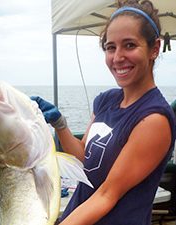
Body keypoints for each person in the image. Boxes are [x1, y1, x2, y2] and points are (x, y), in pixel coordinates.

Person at [32, 0, 176, 224]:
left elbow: (107, 194)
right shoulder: (106, 100)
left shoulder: (153, 119)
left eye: (129, 45)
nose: (117, 57)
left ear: (154, 49)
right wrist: (60, 124)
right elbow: (84, 158)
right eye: (110, 47)